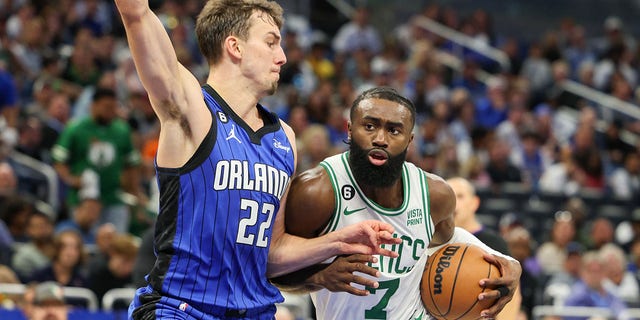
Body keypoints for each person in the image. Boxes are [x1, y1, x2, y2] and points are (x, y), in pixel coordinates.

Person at [114, 1, 400, 319]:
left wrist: (337, 242)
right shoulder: (192, 109)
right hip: (183, 308)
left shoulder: (284, 138)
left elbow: (271, 252)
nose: (283, 57)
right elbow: (136, 14)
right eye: (271, 42)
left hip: (255, 311)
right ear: (234, 46)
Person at [274, 87, 521, 319]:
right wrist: (320, 277)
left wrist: (507, 263)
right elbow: (272, 268)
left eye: (394, 130)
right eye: (369, 126)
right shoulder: (316, 192)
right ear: (349, 129)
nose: (380, 138)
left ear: (409, 139)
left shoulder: (435, 195)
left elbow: (449, 240)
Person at [52, 87, 143, 234]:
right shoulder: (76, 129)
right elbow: (58, 159)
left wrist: (134, 190)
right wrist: (72, 179)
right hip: (83, 199)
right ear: (93, 105)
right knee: (85, 241)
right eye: (106, 107)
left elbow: (131, 164)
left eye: (113, 107)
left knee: (118, 243)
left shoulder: (122, 131)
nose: (110, 111)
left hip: (113, 196)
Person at [446, 176, 522, 320]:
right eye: (450, 195)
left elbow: (513, 293)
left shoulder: (494, 242)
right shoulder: (433, 241)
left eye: (460, 196)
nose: (454, 202)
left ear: (474, 203)